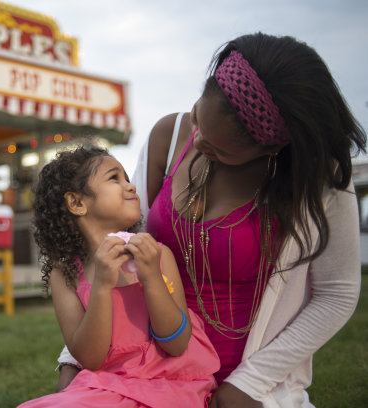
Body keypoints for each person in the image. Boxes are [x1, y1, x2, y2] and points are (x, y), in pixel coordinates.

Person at [56, 32, 366, 407]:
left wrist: (251, 384)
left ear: (270, 148)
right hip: (142, 377)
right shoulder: (168, 137)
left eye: (218, 149)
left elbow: (337, 293)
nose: (199, 142)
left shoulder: (318, 176)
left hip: (249, 382)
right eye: (199, 118)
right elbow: (110, 251)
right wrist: (75, 356)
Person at [18, 146, 219, 407]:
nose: (131, 186)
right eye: (114, 178)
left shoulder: (158, 255)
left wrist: (151, 278)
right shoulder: (66, 275)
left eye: (127, 178)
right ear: (77, 203)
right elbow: (91, 358)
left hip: (170, 385)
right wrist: (101, 286)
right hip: (108, 385)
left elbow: (177, 344)